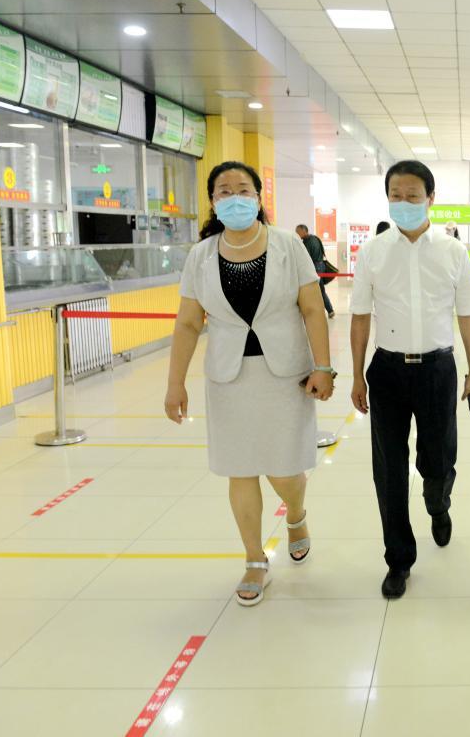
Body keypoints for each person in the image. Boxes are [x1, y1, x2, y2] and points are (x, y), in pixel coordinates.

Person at [165, 161, 336, 607]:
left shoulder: (286, 245)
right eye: (224, 191)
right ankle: (254, 559)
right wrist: (175, 383)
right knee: (239, 469)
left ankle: (295, 514)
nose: (235, 197)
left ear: (259, 197)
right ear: (213, 201)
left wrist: (324, 367)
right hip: (229, 378)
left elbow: (312, 308)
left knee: (284, 469)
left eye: (243, 189)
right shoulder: (201, 255)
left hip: (285, 376)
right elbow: (188, 323)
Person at [349, 160, 470, 599]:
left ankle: (438, 504)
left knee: (439, 459)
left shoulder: (452, 251)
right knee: (388, 470)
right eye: (396, 195)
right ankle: (398, 559)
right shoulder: (372, 252)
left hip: (437, 370)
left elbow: (468, 315)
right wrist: (357, 375)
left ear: (430, 198)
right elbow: (360, 317)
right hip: (387, 370)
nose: (403, 202)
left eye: (412, 195)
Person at [295, 223, 336, 319]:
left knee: (314, 291)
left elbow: (305, 257)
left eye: (298, 232)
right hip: (320, 266)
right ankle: (330, 310)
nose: (296, 234)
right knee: (320, 291)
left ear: (304, 231)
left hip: (315, 268)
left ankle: (315, 312)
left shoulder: (308, 242)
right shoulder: (315, 238)